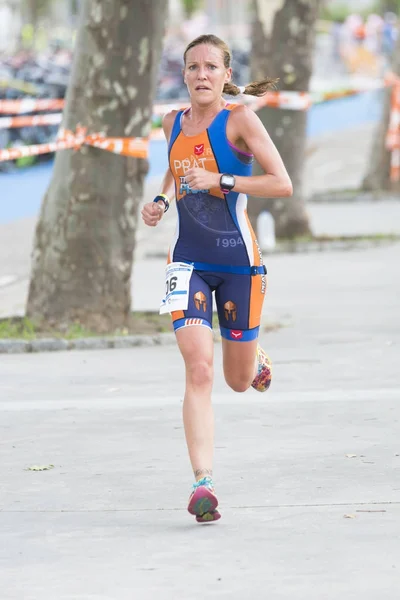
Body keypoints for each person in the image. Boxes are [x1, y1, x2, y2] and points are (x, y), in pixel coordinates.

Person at [141, 34, 292, 524]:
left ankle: (254, 360)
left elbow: (281, 184)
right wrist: (163, 200)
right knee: (198, 368)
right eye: (192, 67)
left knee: (237, 379)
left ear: (227, 75)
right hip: (187, 260)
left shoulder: (240, 121)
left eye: (210, 67)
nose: (201, 75)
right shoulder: (171, 123)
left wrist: (222, 181)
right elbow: (174, 166)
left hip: (239, 263)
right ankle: (202, 483)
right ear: (183, 75)